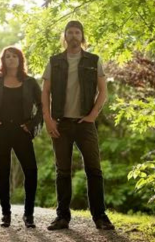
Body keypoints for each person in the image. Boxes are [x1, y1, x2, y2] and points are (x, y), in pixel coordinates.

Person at [42, 20, 115, 230]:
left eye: (77, 32)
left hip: (85, 124)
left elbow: (103, 91)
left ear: (82, 37)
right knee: (62, 171)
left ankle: (100, 217)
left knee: (94, 170)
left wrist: (92, 115)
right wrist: (48, 119)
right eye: (70, 32)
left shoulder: (93, 60)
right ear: (65, 37)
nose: (73, 36)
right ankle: (62, 217)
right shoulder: (54, 61)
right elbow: (45, 92)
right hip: (61, 123)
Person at [0, 46, 43, 228]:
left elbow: (43, 105)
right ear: (3, 60)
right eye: (7, 56)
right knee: (3, 172)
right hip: (0, 132)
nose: (11, 59)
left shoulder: (30, 82)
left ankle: (28, 215)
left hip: (22, 132)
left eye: (14, 56)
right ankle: (6, 214)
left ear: (20, 60)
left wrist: (30, 125)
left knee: (31, 171)